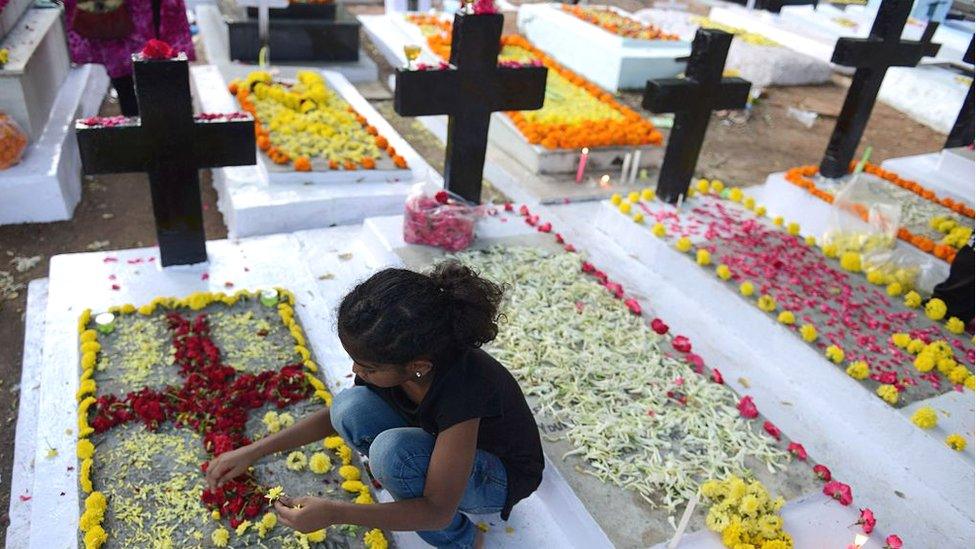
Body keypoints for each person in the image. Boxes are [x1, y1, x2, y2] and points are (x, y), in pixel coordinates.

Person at [205, 261, 544, 548]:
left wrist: (335, 512)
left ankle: (463, 540)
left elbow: (437, 510)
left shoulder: (464, 389)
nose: (356, 371)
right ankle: (408, 477)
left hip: (498, 476)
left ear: (418, 367)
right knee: (348, 406)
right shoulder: (402, 358)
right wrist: (253, 451)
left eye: (367, 368)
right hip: (445, 450)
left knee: (394, 453)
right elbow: (335, 418)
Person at [63, 0, 196, 116]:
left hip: (138, 13)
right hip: (117, 13)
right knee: (126, 63)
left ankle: (151, 119)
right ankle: (150, 120)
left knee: (153, 61)